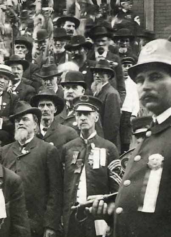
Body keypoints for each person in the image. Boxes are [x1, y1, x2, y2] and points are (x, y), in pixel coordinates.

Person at [90, 39, 171, 237]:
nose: (145, 86)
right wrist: (114, 211)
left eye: (155, 77)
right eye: (140, 80)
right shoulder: (155, 130)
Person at [0, 102, 63, 237]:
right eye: (17, 121)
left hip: (36, 224)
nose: (20, 123)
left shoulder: (47, 150)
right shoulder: (4, 151)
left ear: (35, 124)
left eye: (25, 119)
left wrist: (51, 225)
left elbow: (55, 190)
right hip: (7, 222)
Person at [60, 96, 121, 237]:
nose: (82, 118)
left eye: (87, 114)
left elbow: (116, 189)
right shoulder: (67, 148)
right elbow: (61, 185)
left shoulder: (109, 148)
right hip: (72, 215)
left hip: (98, 215)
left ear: (96, 117)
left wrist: (110, 219)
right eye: (79, 114)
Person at [87, 26, 127, 103]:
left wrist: (119, 103)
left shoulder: (115, 58)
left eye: (103, 41)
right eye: (98, 41)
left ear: (108, 41)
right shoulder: (89, 58)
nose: (100, 44)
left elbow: (121, 85)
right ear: (94, 42)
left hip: (111, 101)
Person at [91, 59, 121, 149]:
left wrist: (104, 144)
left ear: (108, 76)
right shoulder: (97, 92)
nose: (97, 75)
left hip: (107, 143)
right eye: (95, 72)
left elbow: (112, 125)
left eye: (101, 73)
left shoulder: (111, 94)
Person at [120, 55, 141, 152]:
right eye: (124, 66)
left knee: (126, 137)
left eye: (129, 66)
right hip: (118, 111)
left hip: (128, 112)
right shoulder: (118, 81)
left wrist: (134, 114)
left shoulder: (133, 83)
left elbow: (136, 100)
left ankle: (125, 152)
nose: (126, 68)